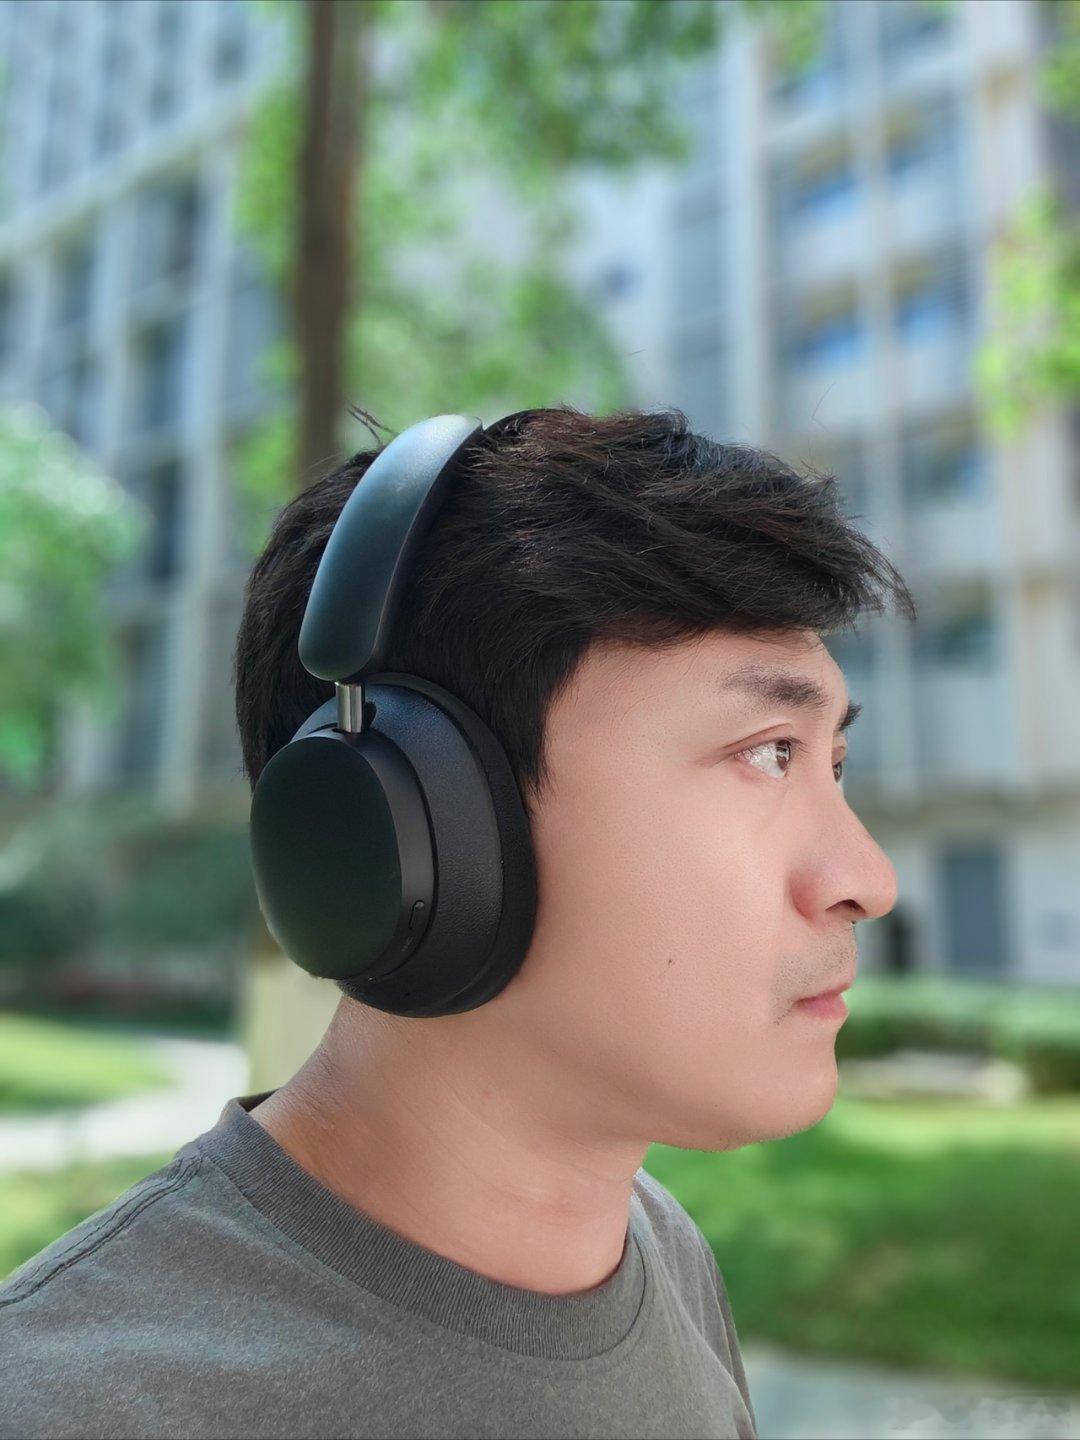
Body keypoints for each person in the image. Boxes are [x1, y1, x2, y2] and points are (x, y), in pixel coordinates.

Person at [0, 404, 914, 1439]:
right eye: (768, 753)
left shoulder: (660, 1256)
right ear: (415, 823)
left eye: (832, 763)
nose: (868, 879)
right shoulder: (68, 1408)